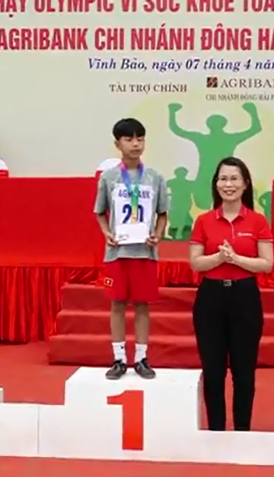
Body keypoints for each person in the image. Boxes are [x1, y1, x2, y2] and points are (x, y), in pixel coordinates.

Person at [189, 156, 274, 431]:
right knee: (213, 372)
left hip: (245, 297)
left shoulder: (257, 221)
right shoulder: (204, 221)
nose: (229, 184)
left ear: (245, 183)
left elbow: (267, 263)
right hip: (211, 298)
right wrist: (219, 258)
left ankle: (242, 432)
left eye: (234, 178)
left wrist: (236, 259)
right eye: (223, 179)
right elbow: (196, 262)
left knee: (244, 373)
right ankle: (215, 430)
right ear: (216, 184)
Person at [94, 118, 169, 380]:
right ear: (118, 144)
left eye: (140, 138)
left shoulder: (155, 177)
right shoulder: (109, 177)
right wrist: (106, 233)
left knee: (142, 305)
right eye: (129, 139)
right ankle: (118, 358)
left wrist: (158, 234)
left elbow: (162, 214)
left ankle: (141, 358)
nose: (136, 144)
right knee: (117, 304)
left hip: (144, 252)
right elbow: (100, 212)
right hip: (117, 253)